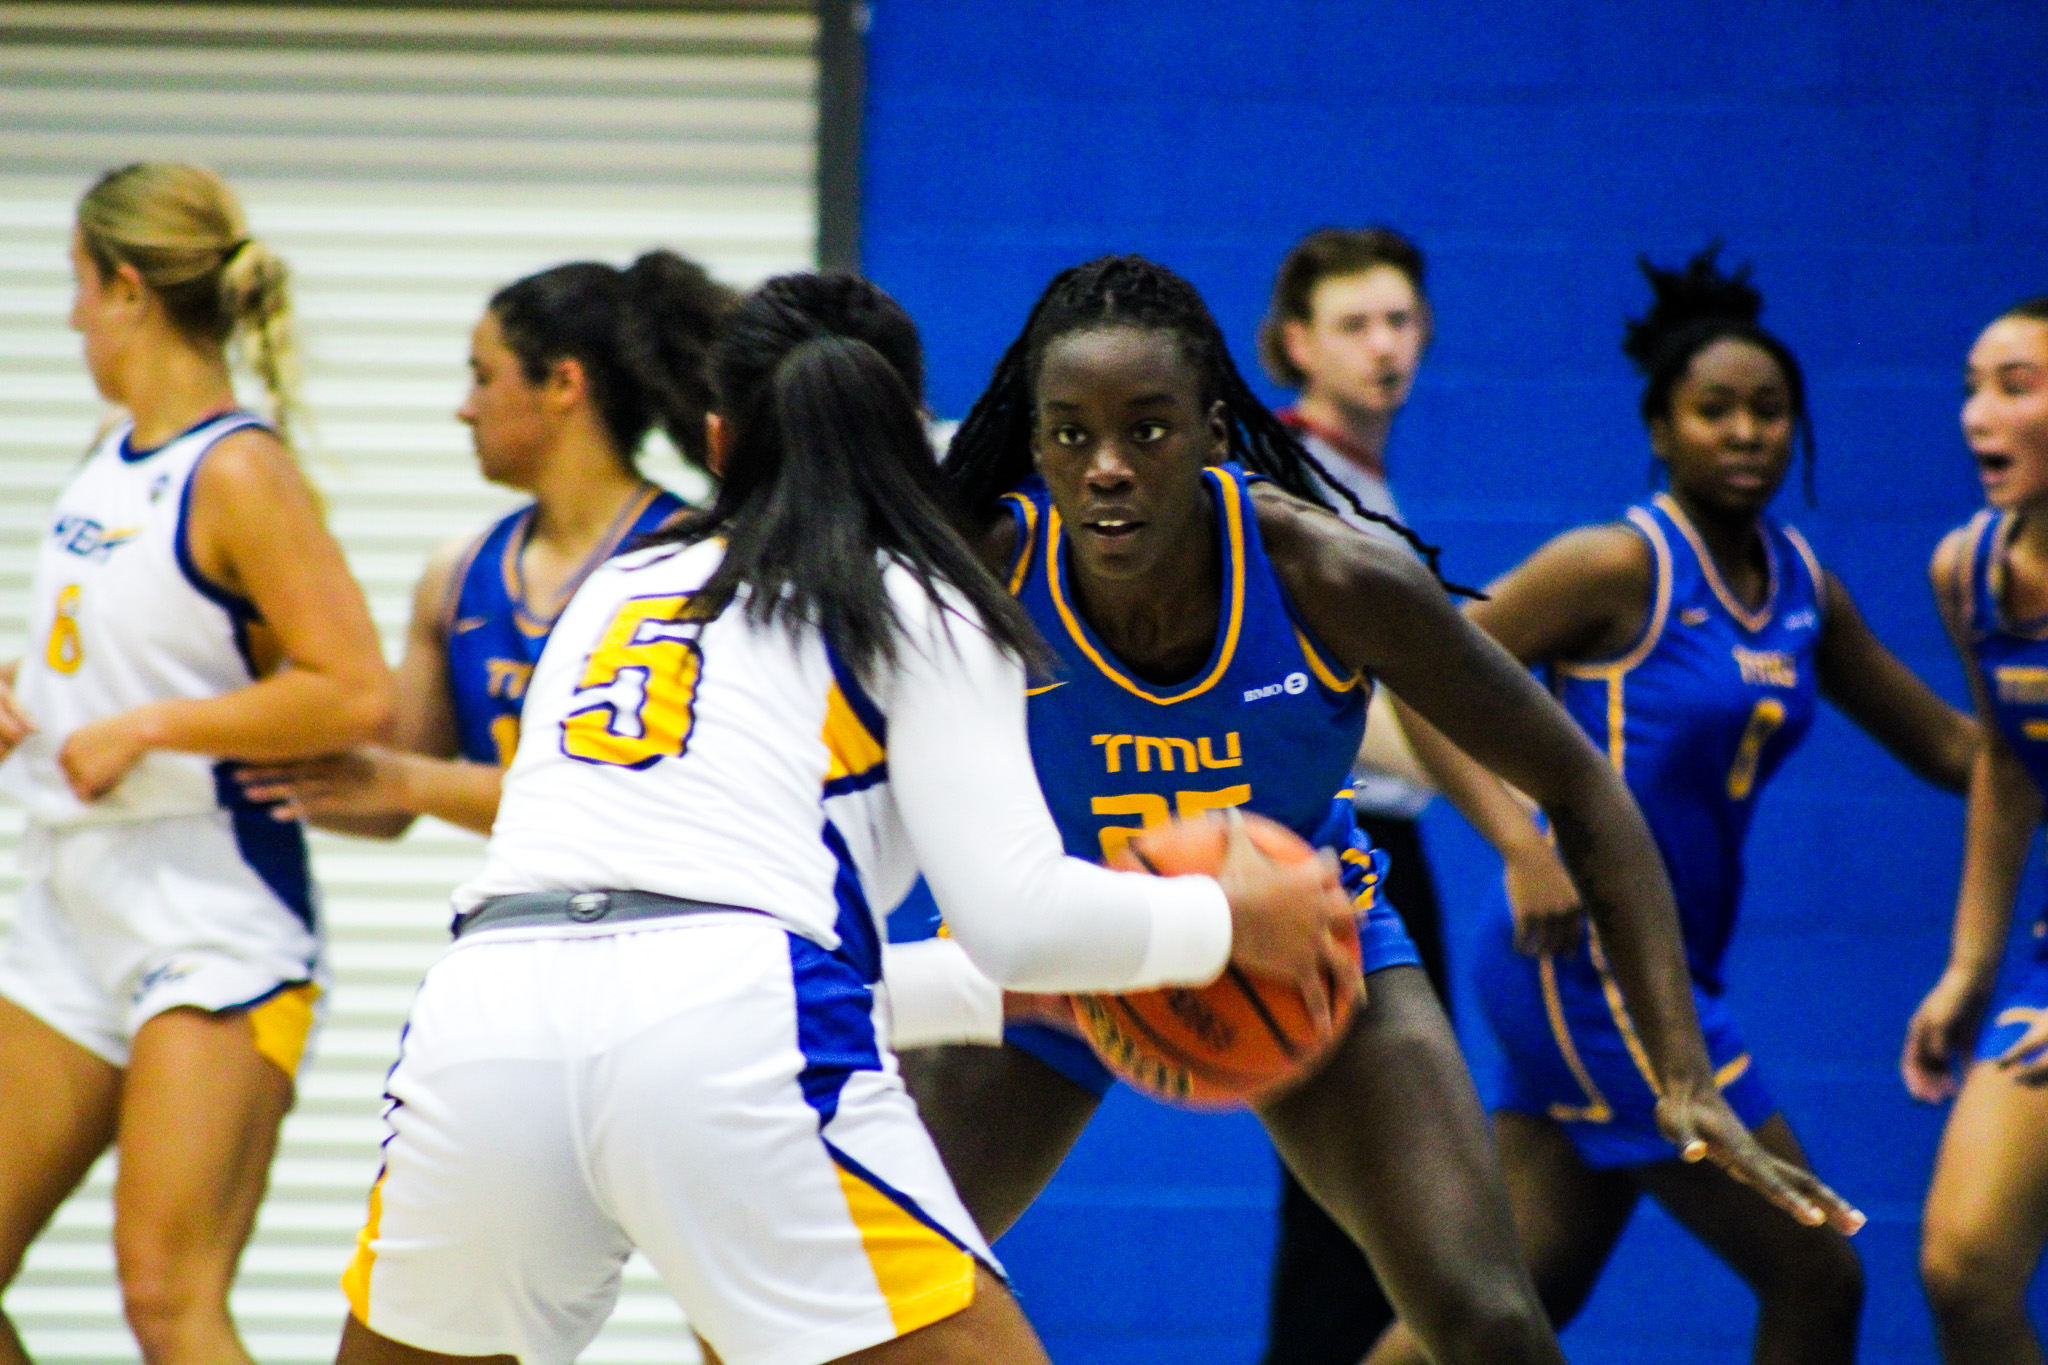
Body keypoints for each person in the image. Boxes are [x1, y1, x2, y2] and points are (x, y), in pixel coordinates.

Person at [332, 271, 1361, 1365]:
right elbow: (999, 914)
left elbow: (650, 931)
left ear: (720, 443)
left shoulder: (616, 589)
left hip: (487, 1019)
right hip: (730, 1022)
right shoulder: (920, 593)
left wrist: (986, 990)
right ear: (916, 433)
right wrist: (1221, 919)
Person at [899, 254, 1859, 1365]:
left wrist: (1678, 1072)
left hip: (1306, 953)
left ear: (1215, 431)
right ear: (1033, 444)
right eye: (1068, 434)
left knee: (1489, 1320)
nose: (1105, 467)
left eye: (1147, 430)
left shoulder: (1329, 574)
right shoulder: (981, 572)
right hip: (1058, 947)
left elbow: (1578, 784)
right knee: (847, 1282)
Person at [1370, 247, 1978, 1365]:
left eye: (1767, 410)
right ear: (1658, 428)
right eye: (1713, 411)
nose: (1744, 432)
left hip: (1670, 968)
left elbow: (1950, 746)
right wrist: (1518, 843)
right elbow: (1414, 678)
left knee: (1511, 1301)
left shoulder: (1801, 586)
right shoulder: (1616, 564)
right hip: (1586, 965)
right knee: (1816, 1270)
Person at [0, 163, 393, 1365]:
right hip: (65, 895)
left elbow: (350, 688)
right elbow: (120, 649)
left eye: (77, 285)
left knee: (166, 1295)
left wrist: (150, 729)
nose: (68, 317)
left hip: (208, 913)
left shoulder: (238, 469)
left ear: (126, 289)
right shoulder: (110, 452)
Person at [1256, 226, 1584, 1365]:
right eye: (1353, 324)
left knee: (1361, 1212)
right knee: (1363, 1207)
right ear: (1295, 342)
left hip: (1372, 852)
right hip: (1321, 858)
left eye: (1399, 321)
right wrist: (1516, 825)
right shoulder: (1295, 477)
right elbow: (1376, 701)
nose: (1384, 346)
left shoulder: (1359, 480)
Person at [239, 254, 729, 837]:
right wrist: (228, 716)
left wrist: (411, 781)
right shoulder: (458, 573)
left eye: (483, 377)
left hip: (660, 914)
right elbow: (385, 804)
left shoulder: (692, 561)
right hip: (522, 917)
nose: (464, 409)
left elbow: (630, 795)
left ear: (564, 384)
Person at [1906, 295, 2048, 1364]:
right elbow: (2005, 759)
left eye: (2014, 385)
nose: (1975, 416)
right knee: (1961, 1265)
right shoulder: (1969, 570)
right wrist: (1968, 966)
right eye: (1970, 387)